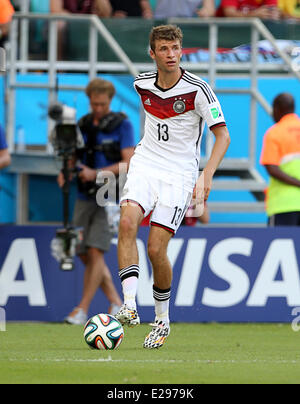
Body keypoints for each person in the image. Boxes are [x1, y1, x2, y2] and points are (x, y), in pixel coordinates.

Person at [114, 25, 230, 349]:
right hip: (145, 164)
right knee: (125, 222)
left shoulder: (199, 90)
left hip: (179, 174)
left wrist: (205, 176)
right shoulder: (141, 84)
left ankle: (162, 320)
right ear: (152, 53)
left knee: (154, 249)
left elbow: (223, 135)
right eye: (163, 49)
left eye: (175, 48)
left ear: (181, 50)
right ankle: (129, 305)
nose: (170, 54)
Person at [57, 78, 136, 324]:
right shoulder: (82, 124)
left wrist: (97, 173)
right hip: (83, 195)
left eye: (102, 104)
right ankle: (115, 300)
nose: (98, 108)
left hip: (109, 196)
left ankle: (82, 308)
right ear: (89, 101)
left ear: (110, 101)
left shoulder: (122, 125)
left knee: (95, 249)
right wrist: (66, 171)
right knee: (81, 252)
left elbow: (129, 162)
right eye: (94, 104)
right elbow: (73, 156)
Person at [260, 93, 300, 226]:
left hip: (283, 205)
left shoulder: (275, 133)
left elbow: (272, 168)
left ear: (277, 108)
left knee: (283, 246)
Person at [216, 0, 281, 19]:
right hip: (226, 36)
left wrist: (274, 14)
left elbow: (273, 11)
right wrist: (253, 14)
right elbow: (229, 14)